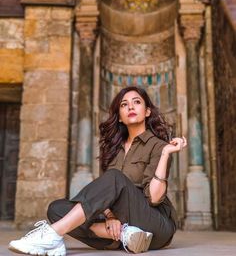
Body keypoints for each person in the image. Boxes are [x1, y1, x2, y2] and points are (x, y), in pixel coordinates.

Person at [9, 86, 187, 256]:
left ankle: (52, 234)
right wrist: (109, 216)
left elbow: (154, 198)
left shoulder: (158, 146)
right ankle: (126, 235)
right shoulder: (114, 149)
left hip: (155, 224)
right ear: (119, 117)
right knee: (56, 209)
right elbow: (106, 194)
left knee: (115, 177)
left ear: (147, 111)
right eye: (124, 105)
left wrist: (165, 153)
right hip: (125, 223)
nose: (130, 106)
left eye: (137, 102)